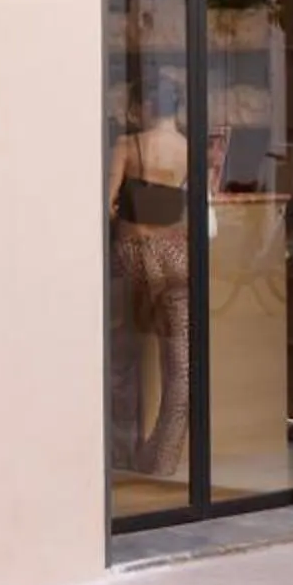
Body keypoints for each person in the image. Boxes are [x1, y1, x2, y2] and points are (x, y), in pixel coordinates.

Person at [108, 71, 193, 481]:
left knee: (122, 359)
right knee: (179, 367)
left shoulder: (127, 145)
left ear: (144, 107)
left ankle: (122, 456)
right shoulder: (189, 149)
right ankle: (162, 462)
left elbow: (107, 202)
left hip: (133, 255)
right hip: (176, 255)